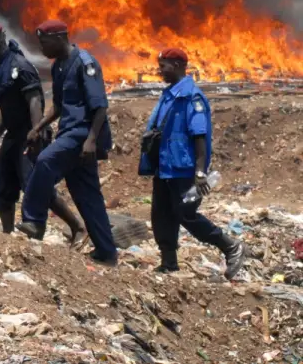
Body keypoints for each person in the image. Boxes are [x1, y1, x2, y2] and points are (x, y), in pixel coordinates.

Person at [17, 20, 118, 265]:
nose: (41, 48)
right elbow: (60, 106)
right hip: (69, 132)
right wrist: (38, 127)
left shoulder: (86, 63)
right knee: (86, 195)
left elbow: (100, 105)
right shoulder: (59, 66)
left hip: (82, 134)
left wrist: (92, 140)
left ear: (61, 37)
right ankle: (107, 253)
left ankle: (34, 220)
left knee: (45, 161)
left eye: (44, 42)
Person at [0, 25, 85, 244]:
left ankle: (78, 227)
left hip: (28, 134)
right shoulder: (3, 69)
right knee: (2, 185)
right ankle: (7, 237)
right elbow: (6, 112)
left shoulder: (20, 66)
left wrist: (36, 133)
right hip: (13, 136)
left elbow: (35, 100)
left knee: (35, 185)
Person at [139, 48, 244, 278]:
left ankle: (230, 245)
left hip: (183, 169)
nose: (160, 70)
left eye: (164, 65)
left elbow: (199, 136)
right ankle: (168, 263)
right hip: (164, 167)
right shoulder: (168, 95)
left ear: (177, 65)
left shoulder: (192, 98)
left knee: (185, 214)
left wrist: (199, 170)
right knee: (161, 214)